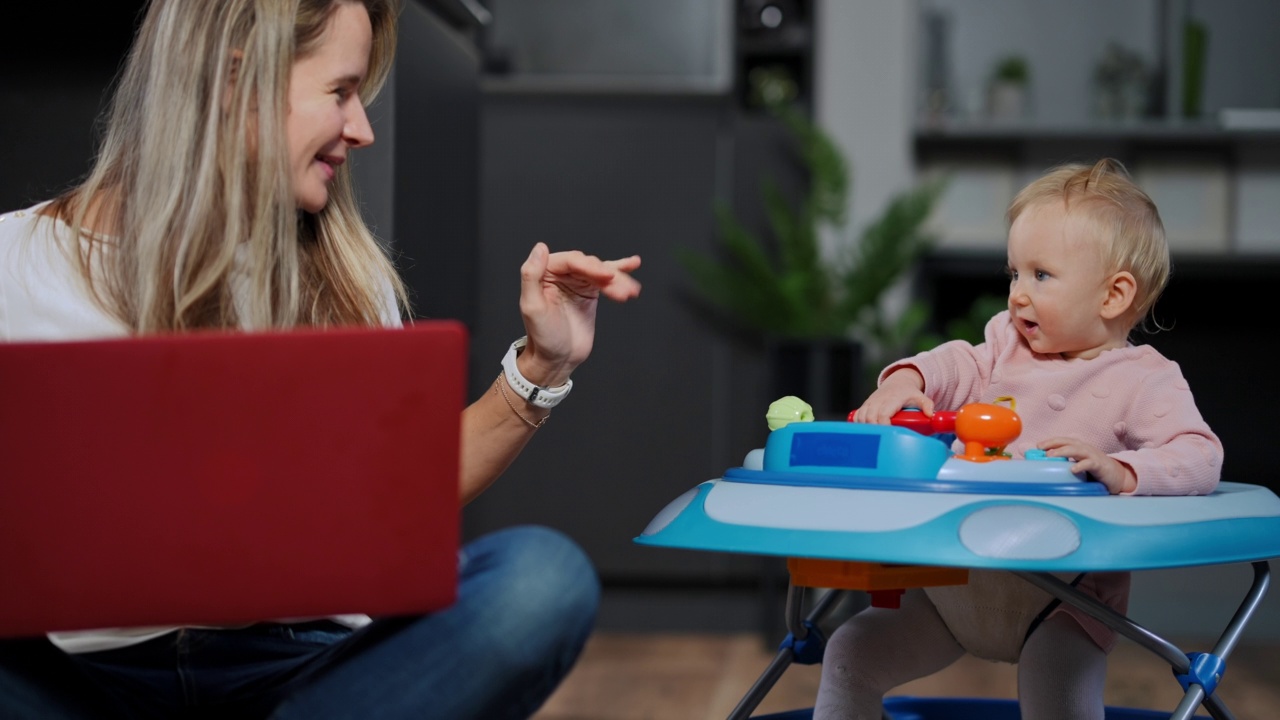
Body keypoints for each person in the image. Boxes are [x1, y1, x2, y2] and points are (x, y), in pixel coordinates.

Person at [0, 0, 641, 717]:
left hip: (303, 671)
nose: (362, 129)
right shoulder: (13, 262)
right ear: (236, 82)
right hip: (76, 678)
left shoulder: (345, 277)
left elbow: (399, 492)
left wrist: (544, 365)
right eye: (340, 93)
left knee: (540, 580)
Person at [813, 158, 1222, 720]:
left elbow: (1201, 455)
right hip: (950, 582)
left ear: (1113, 295)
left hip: (1066, 601)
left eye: (1041, 275)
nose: (1018, 296)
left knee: (1058, 698)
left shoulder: (1145, 380)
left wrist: (1123, 470)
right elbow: (954, 364)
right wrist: (906, 381)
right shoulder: (1004, 346)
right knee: (849, 655)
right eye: (1014, 274)